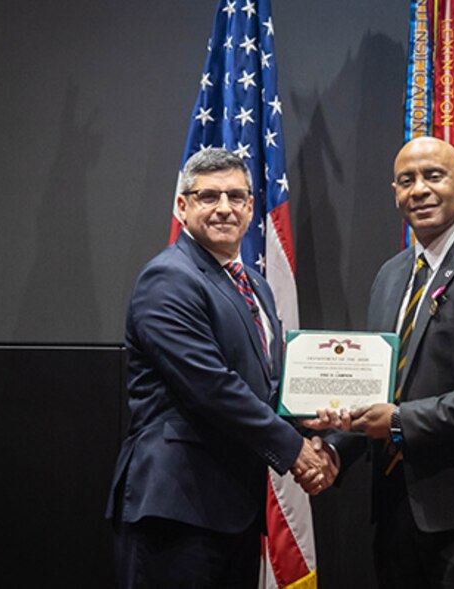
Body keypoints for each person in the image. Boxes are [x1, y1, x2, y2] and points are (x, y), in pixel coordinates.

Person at [307, 137, 454, 588]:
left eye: (434, 176)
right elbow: (377, 390)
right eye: (406, 180)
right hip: (396, 512)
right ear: (395, 192)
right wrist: (336, 445)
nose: (420, 190)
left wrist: (398, 421)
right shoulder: (391, 276)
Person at [106, 148, 336, 588]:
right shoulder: (169, 278)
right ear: (183, 205)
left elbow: (265, 387)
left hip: (232, 510)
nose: (224, 208)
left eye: (236, 196)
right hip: (176, 508)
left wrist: (318, 423)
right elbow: (211, 387)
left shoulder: (256, 287)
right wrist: (295, 450)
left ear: (252, 207)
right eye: (208, 196)